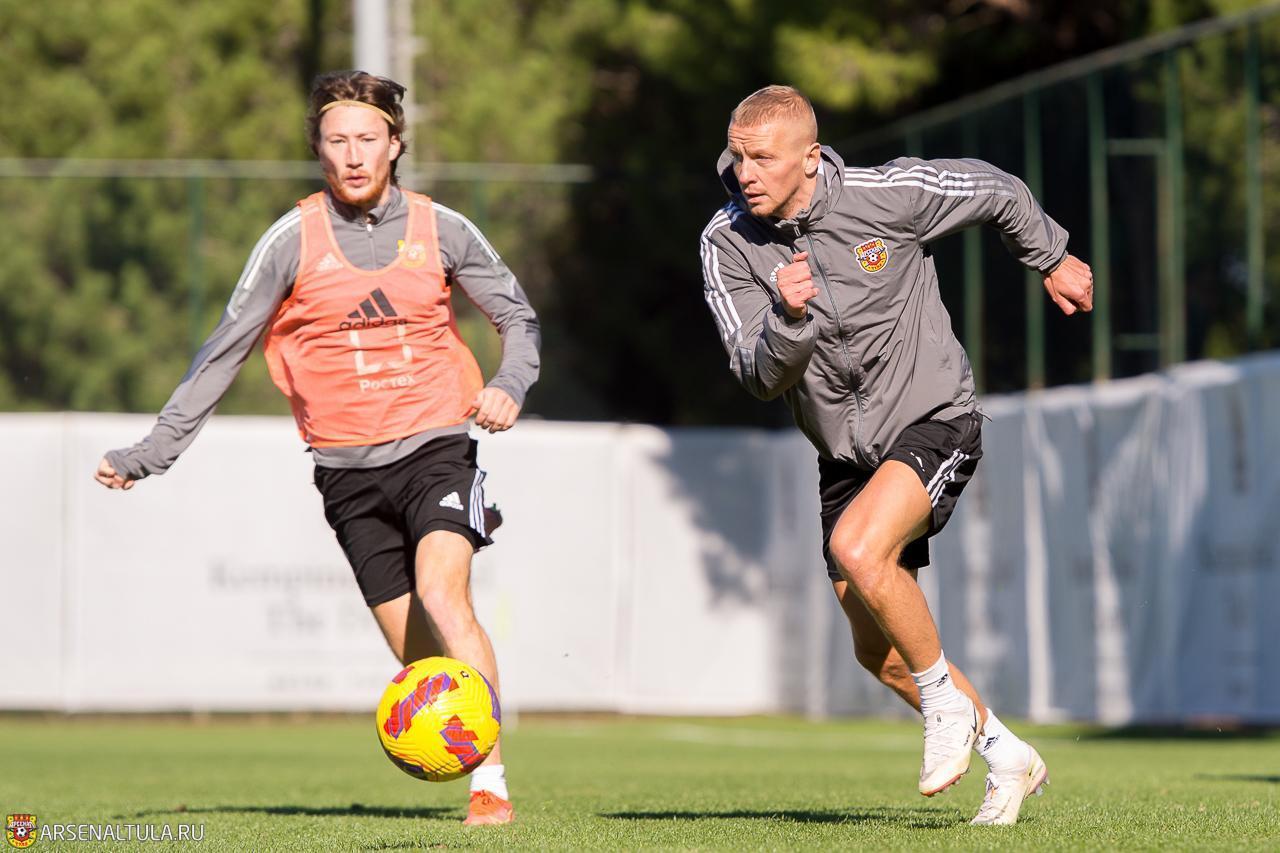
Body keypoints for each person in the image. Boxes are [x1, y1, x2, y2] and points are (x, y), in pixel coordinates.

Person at [94, 71, 539, 827]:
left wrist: (510, 384)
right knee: (420, 660)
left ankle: (490, 785)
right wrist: (152, 451)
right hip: (346, 475)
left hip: (436, 445)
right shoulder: (290, 240)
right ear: (318, 149)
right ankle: (461, 748)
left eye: (368, 139)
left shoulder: (442, 228)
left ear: (395, 145)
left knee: (443, 594)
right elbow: (223, 352)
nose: (353, 155)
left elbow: (518, 318)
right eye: (337, 141)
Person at [699, 85, 1093, 825]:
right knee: (877, 651)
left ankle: (945, 710)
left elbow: (996, 189)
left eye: (763, 158)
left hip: (934, 416)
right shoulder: (726, 241)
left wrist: (1052, 256)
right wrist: (788, 318)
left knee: (858, 548)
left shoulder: (887, 194)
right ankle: (1007, 752)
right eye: (737, 156)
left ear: (810, 157)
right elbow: (756, 375)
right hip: (844, 454)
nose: (744, 172)